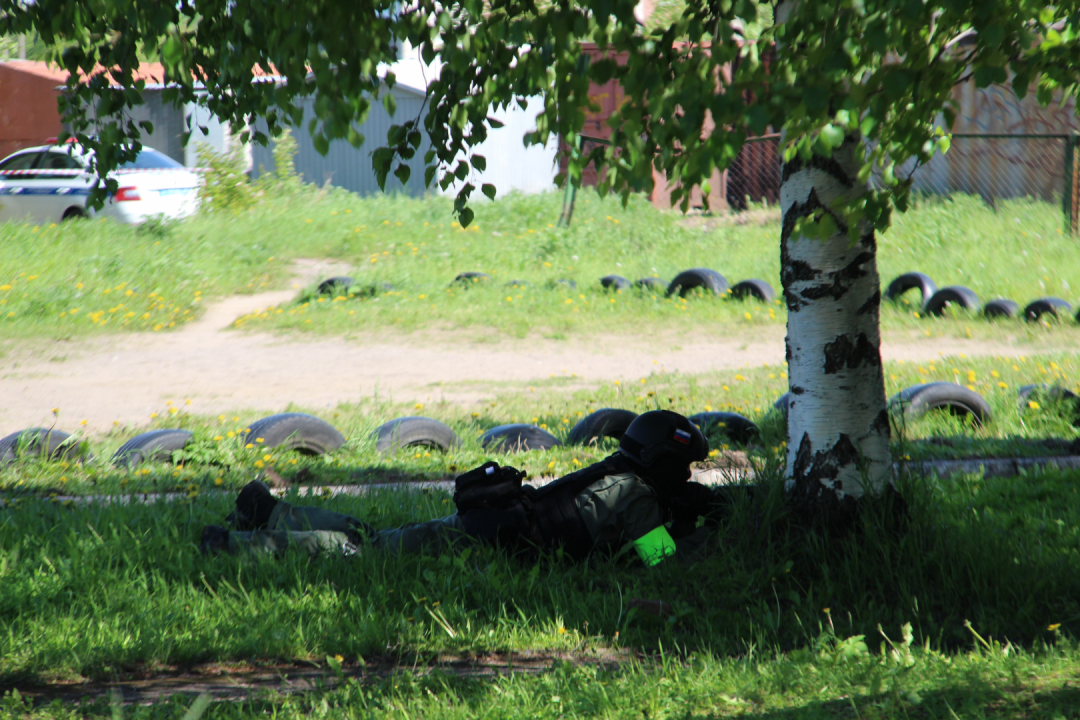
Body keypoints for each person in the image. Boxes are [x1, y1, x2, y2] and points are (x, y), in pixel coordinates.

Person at [200, 410, 727, 566]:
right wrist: (703, 529)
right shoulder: (637, 498)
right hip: (488, 539)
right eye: (682, 469)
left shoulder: (619, 472)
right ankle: (236, 547)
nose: (685, 478)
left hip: (492, 527)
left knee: (373, 536)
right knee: (364, 552)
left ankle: (265, 511)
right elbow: (660, 560)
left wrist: (688, 507)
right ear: (662, 461)